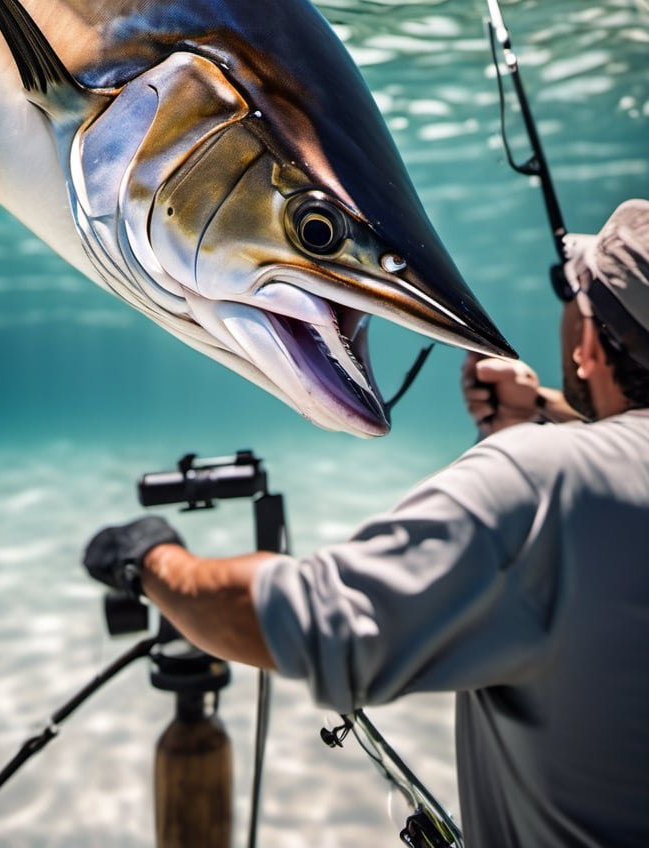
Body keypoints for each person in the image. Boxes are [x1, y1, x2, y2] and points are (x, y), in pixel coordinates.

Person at [85, 199, 649, 848]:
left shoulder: (543, 484)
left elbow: (291, 622)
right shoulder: (559, 474)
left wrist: (150, 559)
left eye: (572, 291)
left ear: (586, 346)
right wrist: (541, 412)